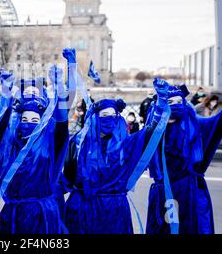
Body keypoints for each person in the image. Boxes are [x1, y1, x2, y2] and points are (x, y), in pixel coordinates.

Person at [63, 78, 170, 234]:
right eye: (104, 114)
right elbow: (68, 177)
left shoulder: (127, 145)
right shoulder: (78, 143)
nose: (109, 119)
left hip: (114, 210)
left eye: (113, 115)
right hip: (82, 209)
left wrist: (161, 104)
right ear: (94, 118)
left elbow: (150, 132)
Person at [146, 75, 222, 234]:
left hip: (191, 191)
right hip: (163, 193)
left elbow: (218, 124)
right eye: (169, 103)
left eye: (179, 102)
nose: (175, 107)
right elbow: (143, 142)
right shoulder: (155, 129)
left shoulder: (195, 126)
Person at [0, 62, 71, 234]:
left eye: (34, 121)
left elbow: (62, 123)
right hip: (12, 215)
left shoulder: (51, 145)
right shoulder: (10, 146)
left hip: (43, 216)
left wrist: (60, 86)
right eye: (25, 121)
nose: (29, 125)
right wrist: (6, 94)